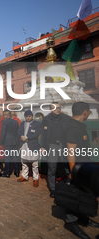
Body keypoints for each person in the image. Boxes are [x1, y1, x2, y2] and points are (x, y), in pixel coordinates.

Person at [63, 102, 99, 239]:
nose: (89, 114)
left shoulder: (78, 125)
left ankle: (82, 217)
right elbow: (70, 151)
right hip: (76, 168)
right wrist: (73, 172)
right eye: (89, 112)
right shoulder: (73, 127)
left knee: (83, 194)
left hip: (83, 167)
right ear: (85, 112)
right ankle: (71, 222)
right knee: (73, 195)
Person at [41, 102, 71, 198]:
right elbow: (44, 135)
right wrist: (43, 146)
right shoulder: (46, 119)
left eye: (59, 107)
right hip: (52, 145)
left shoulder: (66, 118)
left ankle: (67, 185)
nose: (58, 109)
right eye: (55, 108)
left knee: (66, 166)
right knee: (52, 167)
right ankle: (53, 189)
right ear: (50, 109)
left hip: (64, 145)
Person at [17, 110, 42, 187]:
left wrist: (27, 137)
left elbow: (37, 133)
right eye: (27, 116)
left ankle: (35, 179)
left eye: (30, 116)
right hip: (24, 145)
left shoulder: (37, 124)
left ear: (32, 116)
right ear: (25, 117)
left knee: (34, 163)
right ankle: (24, 176)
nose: (28, 118)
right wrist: (21, 137)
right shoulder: (22, 124)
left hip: (32, 145)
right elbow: (19, 132)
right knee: (24, 162)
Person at [0, 110, 20, 178]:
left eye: (4, 115)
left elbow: (3, 133)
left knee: (7, 158)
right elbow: (18, 132)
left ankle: (7, 173)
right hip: (15, 142)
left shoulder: (5, 122)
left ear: (7, 115)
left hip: (7, 142)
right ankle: (17, 172)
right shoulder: (16, 122)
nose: (3, 116)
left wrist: (0, 142)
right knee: (15, 158)